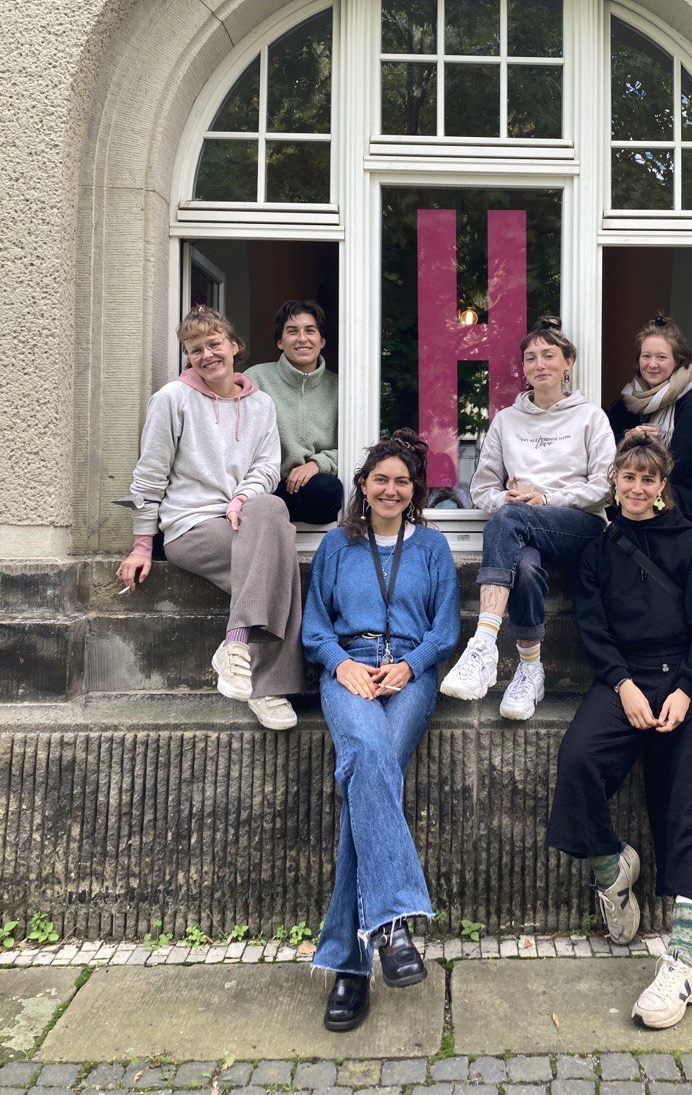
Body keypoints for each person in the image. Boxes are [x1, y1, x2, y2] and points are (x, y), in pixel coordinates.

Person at [546, 431, 692, 1029]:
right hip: (624, 680)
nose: (636, 487)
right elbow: (592, 626)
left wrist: (684, 689)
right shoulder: (601, 549)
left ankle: (681, 959)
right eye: (628, 477)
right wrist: (623, 685)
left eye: (648, 479)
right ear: (615, 481)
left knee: (690, 806)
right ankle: (611, 866)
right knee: (577, 760)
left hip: (691, 686)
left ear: (662, 487)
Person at [302, 429, 459, 1032]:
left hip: (410, 674)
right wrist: (342, 665)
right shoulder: (338, 547)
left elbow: (446, 631)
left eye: (402, 481)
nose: (390, 489)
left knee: (367, 775)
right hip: (347, 671)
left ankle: (351, 964)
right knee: (369, 758)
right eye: (380, 479)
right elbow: (315, 627)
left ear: (414, 490)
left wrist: (410, 666)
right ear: (363, 487)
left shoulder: (434, 548)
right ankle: (389, 928)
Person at [117, 306, 305, 731]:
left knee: (272, 507)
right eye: (194, 349)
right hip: (191, 526)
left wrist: (240, 500)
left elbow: (267, 468)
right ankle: (269, 686)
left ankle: (236, 650)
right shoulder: (172, 399)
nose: (206, 355)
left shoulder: (261, 405)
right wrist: (143, 545)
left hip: (242, 517)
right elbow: (150, 473)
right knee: (282, 566)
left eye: (214, 344)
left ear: (235, 346)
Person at [440, 316, 615, 722]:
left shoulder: (591, 418)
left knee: (510, 519)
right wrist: (509, 496)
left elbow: (605, 487)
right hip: (525, 532)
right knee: (525, 566)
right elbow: (482, 490)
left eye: (549, 355)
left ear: (568, 362)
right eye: (531, 358)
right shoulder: (506, 420)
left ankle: (483, 645)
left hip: (579, 527)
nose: (540, 364)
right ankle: (529, 669)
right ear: (523, 368)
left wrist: (546, 497)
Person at [607, 314, 692, 521]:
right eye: (646, 356)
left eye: (661, 357)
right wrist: (628, 437)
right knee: (607, 495)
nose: (652, 364)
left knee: (630, 496)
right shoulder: (628, 402)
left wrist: (644, 447)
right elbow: (604, 449)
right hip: (650, 488)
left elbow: (677, 466)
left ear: (677, 361)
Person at [246, 299, 343, 525]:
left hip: (312, 488)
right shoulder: (256, 379)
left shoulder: (340, 387)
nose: (302, 338)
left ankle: (273, 523)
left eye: (310, 331)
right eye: (292, 331)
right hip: (266, 485)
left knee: (328, 490)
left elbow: (355, 447)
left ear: (322, 341)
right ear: (280, 342)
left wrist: (318, 463)